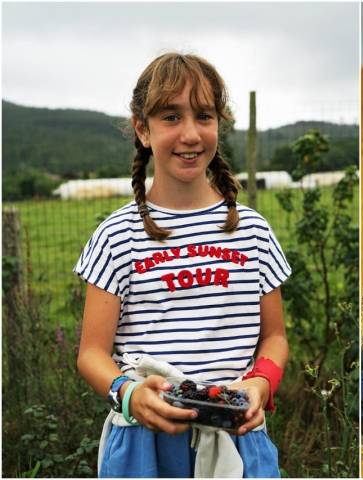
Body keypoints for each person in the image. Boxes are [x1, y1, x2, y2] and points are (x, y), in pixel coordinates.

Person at [74, 52, 291, 477]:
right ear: (143, 129)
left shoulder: (253, 231)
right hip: (145, 446)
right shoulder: (117, 236)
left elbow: (276, 337)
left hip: (236, 438)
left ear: (219, 124)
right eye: (171, 117)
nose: (191, 134)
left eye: (204, 116)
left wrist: (261, 383)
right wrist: (129, 393)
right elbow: (91, 354)